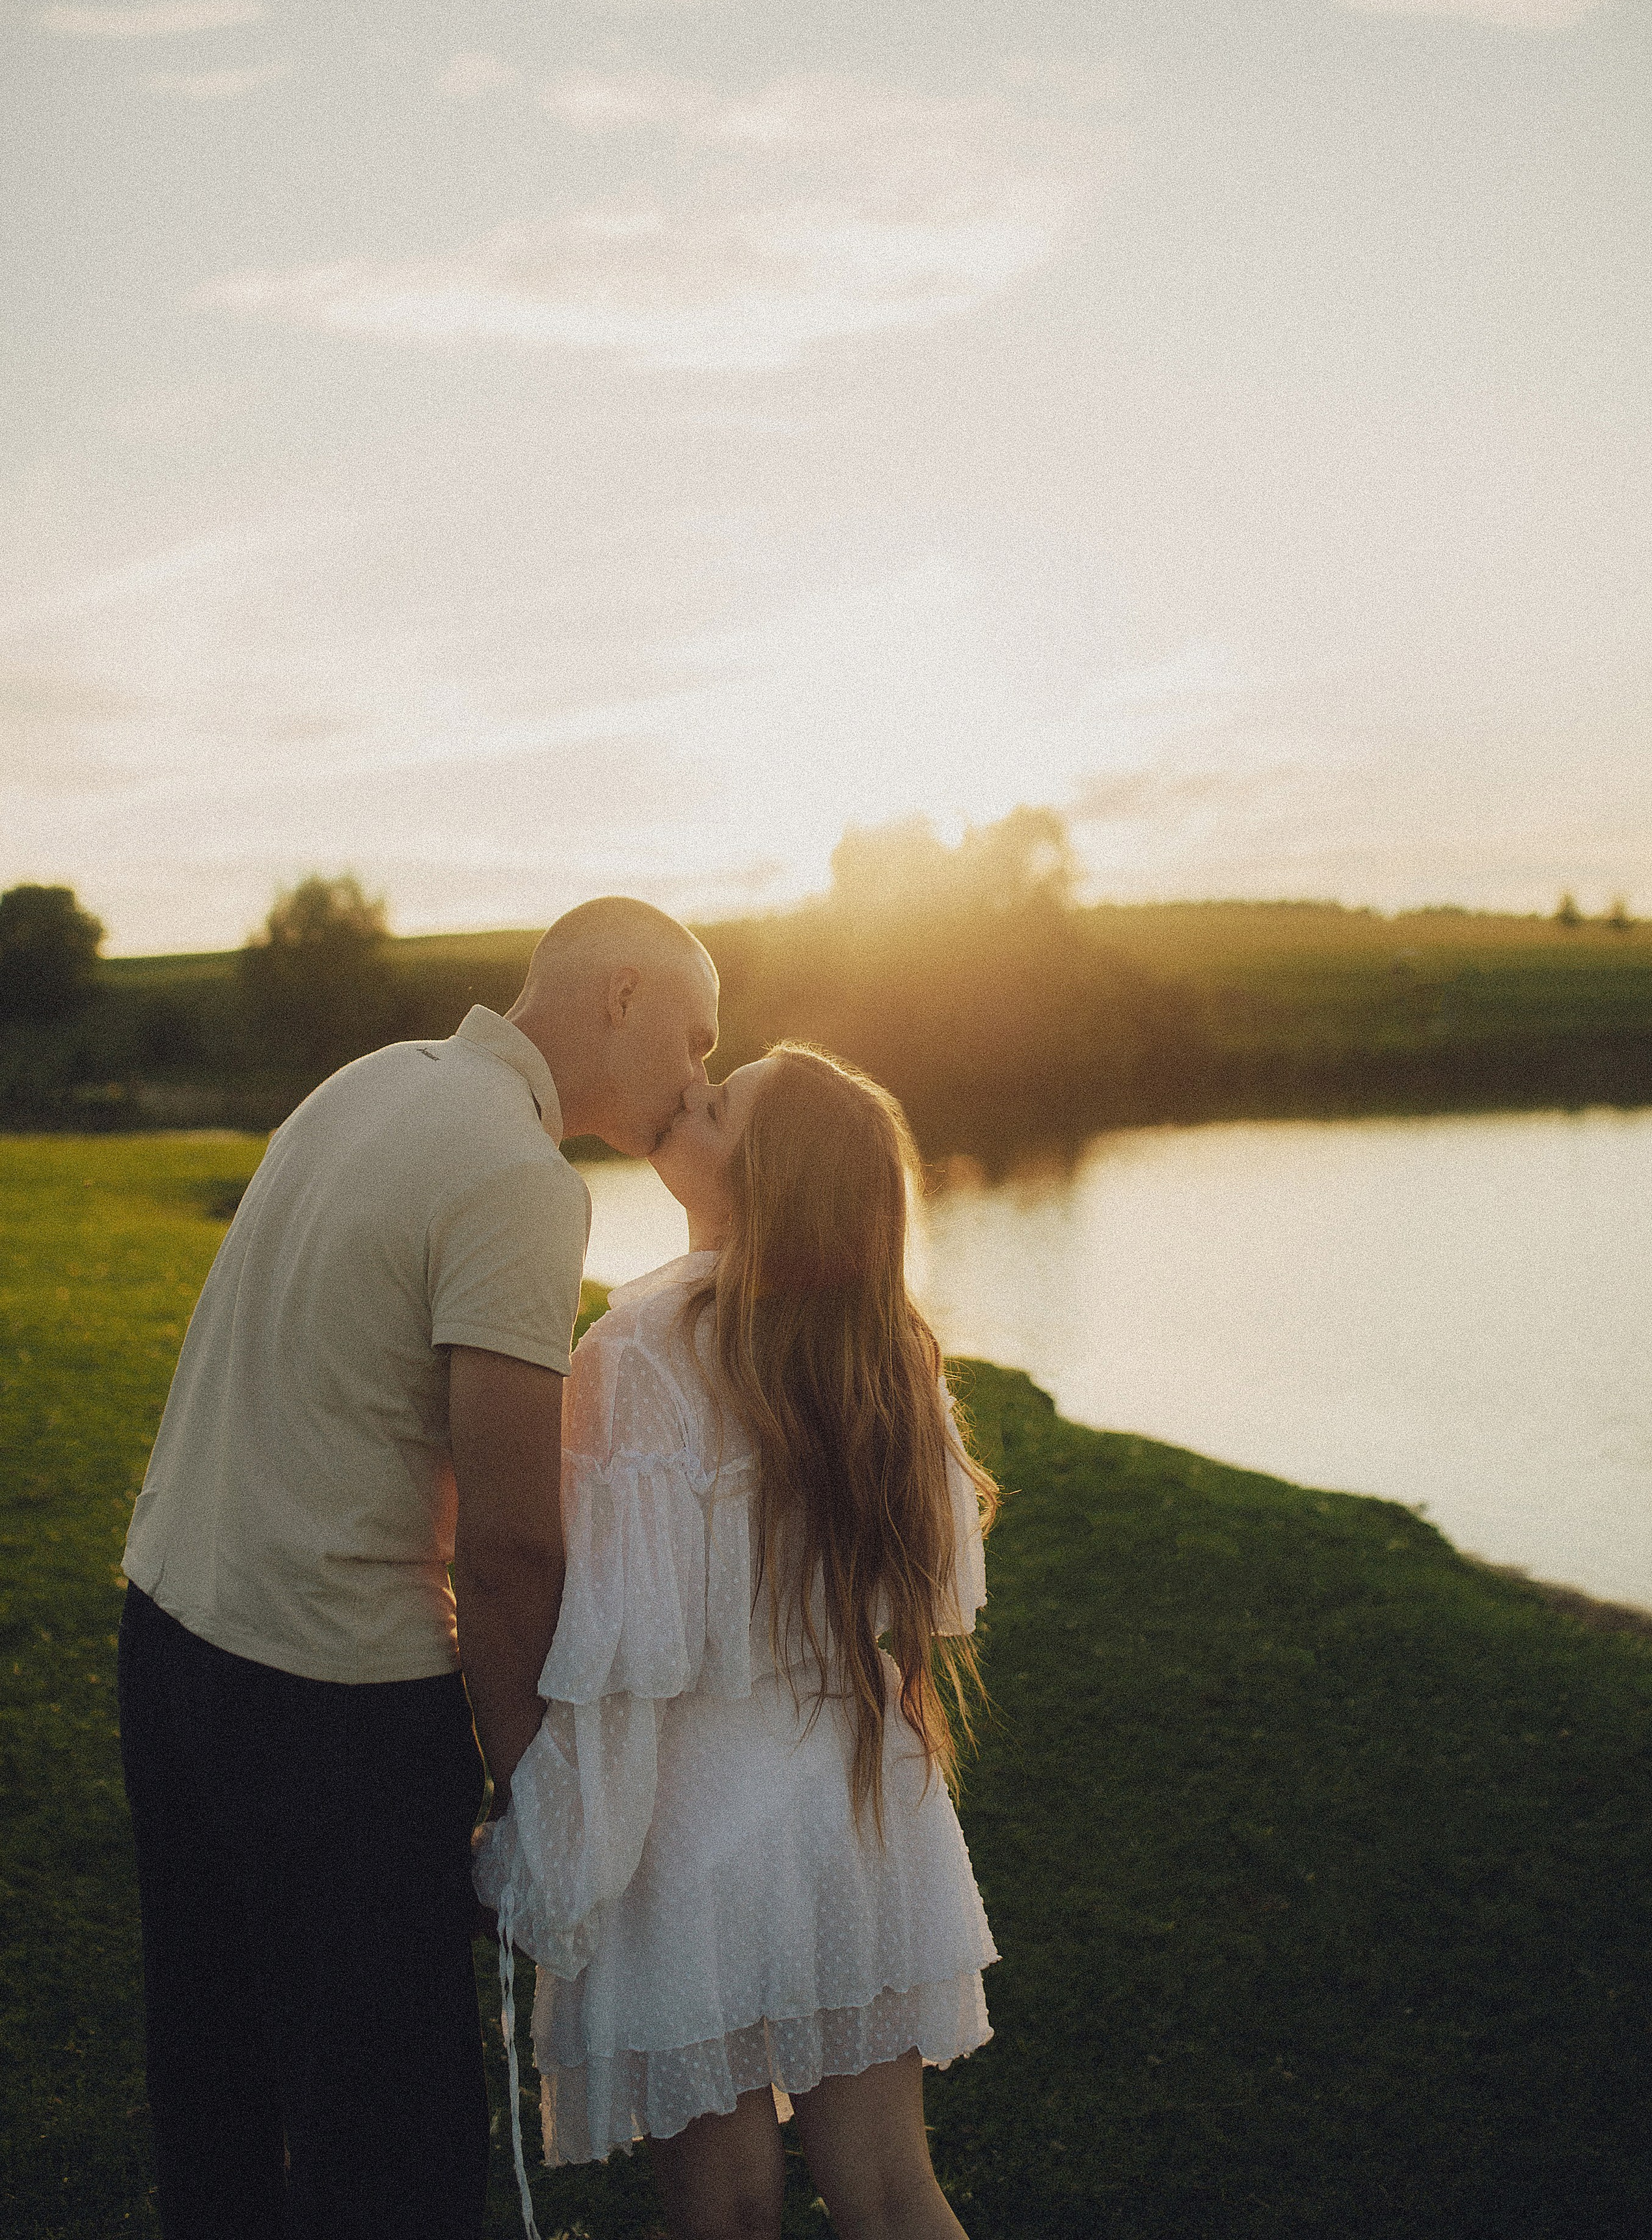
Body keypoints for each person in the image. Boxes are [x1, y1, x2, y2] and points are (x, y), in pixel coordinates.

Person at [117, 898, 720, 2240]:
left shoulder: (372, 1079)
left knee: (214, 2084)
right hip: (326, 1699)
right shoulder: (518, 1176)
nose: (697, 1078)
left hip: (165, 1646)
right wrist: (537, 1788)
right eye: (691, 1036)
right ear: (617, 995)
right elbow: (506, 1545)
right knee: (389, 2143)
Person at [474, 1043, 1000, 2240]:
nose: (688, 1102)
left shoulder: (642, 1354)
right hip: (860, 1804)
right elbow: (913, 1600)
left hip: (693, 1830)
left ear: (768, 1183)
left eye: (720, 1107)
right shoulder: (889, 1356)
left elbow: (614, 1650)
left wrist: (550, 1828)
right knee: (890, 2187)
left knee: (725, 2210)